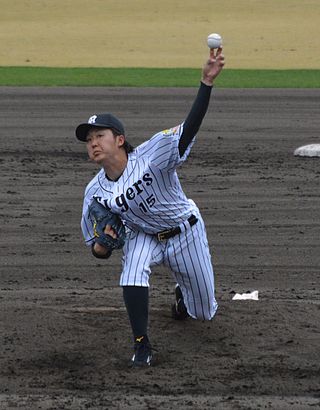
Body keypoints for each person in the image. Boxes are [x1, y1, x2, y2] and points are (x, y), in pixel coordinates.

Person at [75, 47, 225, 367]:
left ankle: (183, 297)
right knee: (132, 272)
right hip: (142, 235)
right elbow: (97, 249)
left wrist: (206, 82)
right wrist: (105, 242)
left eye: (99, 136)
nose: (93, 143)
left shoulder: (154, 152)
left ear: (119, 139)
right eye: (88, 141)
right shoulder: (95, 193)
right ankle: (142, 344)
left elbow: (189, 130)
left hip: (185, 231)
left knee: (204, 312)